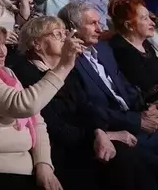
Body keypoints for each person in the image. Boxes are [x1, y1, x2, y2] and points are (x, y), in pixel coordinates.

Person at [12, 16, 156, 190]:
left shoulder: (67, 68)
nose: (66, 38)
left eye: (65, 33)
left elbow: (87, 107)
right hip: (64, 151)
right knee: (125, 157)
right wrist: (103, 135)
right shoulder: (27, 75)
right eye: (58, 34)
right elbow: (56, 127)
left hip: (88, 137)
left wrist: (100, 131)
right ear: (37, 44)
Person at [0, 19, 81, 190]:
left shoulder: (6, 73)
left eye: (3, 45)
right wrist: (63, 67)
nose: (3, 52)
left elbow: (36, 120)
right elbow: (23, 105)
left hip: (28, 165)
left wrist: (44, 164)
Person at [57, 1, 158, 163]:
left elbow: (125, 87)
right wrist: (137, 121)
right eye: (92, 23)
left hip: (138, 118)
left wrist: (148, 110)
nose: (99, 29)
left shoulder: (104, 49)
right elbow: (89, 108)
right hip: (113, 131)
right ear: (72, 28)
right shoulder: (67, 63)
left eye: (99, 23)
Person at [108, 0, 158, 103]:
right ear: (129, 25)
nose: (152, 23)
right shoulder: (122, 51)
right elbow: (147, 89)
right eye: (145, 19)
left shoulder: (144, 44)